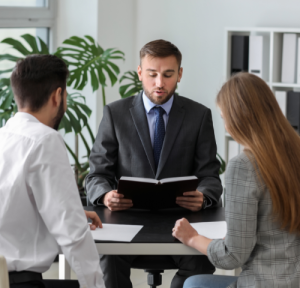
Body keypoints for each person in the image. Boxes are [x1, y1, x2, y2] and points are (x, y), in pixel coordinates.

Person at [86, 39, 223, 288]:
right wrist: (106, 196)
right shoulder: (115, 114)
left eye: (168, 74)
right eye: (152, 74)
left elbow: (210, 175)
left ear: (179, 74)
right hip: (126, 222)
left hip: (182, 224)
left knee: (202, 262)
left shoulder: (199, 116)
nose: (159, 83)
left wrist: (203, 196)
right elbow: (96, 174)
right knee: (107, 260)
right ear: (140, 73)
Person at [173, 72, 300, 288]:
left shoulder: (244, 166)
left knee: (193, 284)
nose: (226, 126)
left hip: (263, 283)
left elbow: (232, 257)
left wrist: (192, 237)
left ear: (238, 118)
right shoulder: (295, 152)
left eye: (224, 118)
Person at [0, 55, 106, 288]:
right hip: (19, 282)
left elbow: (10, 208)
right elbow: (73, 234)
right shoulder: (45, 140)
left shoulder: (4, 136)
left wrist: (71, 211)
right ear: (58, 96)